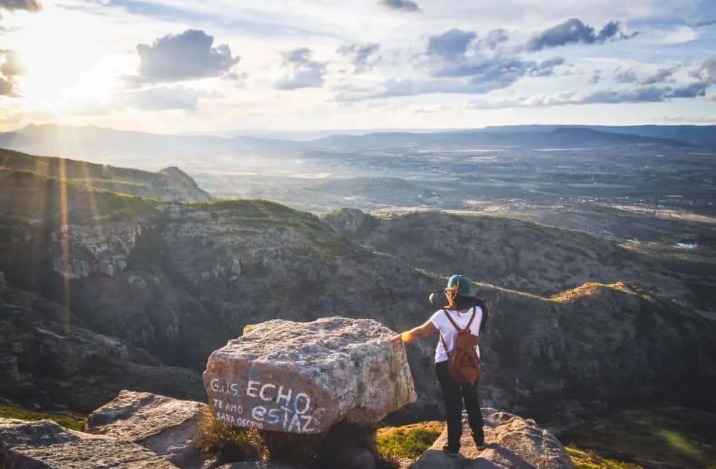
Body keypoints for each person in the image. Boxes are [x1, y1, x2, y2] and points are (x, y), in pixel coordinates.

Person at [391, 274, 488, 457]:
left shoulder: (442, 315)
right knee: (472, 400)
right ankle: (480, 441)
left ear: (452, 294)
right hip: (471, 364)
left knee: (453, 405)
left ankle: (453, 447)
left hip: (446, 365)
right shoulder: (478, 311)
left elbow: (419, 332)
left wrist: (400, 337)